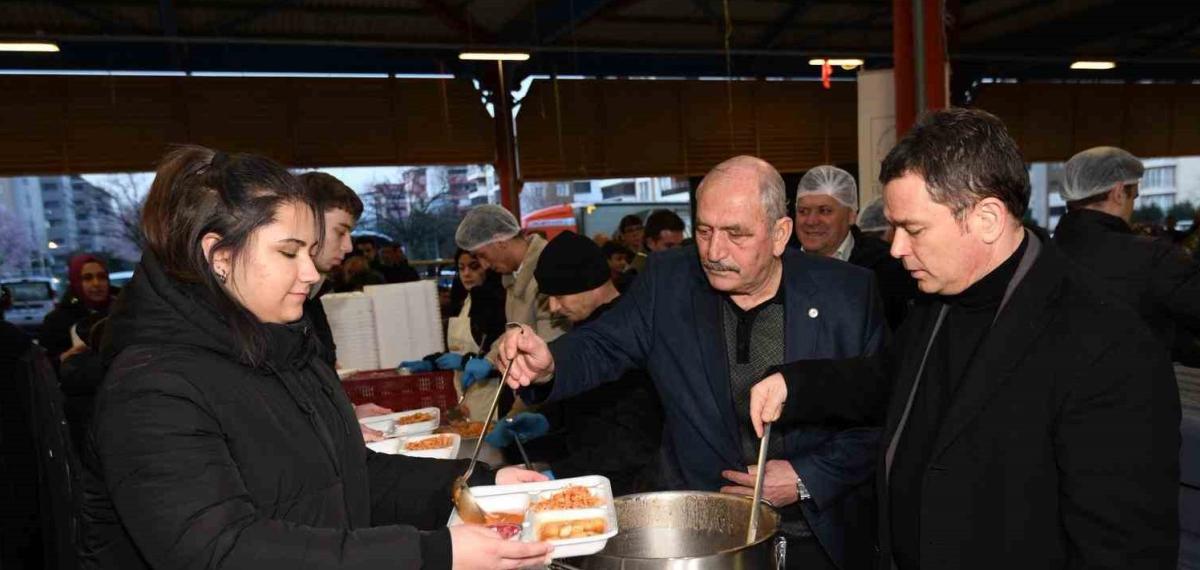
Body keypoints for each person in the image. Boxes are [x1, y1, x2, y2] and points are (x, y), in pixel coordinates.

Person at [80, 146, 553, 570]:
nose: (310, 272)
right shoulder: (152, 388)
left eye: (310, 251)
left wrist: (482, 482)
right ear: (218, 255)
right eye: (288, 253)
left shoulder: (285, 348)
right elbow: (220, 549)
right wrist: (434, 553)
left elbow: (355, 476)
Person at [748, 109, 1181, 570]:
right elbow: (885, 378)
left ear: (988, 218)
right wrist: (796, 385)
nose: (895, 248)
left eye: (913, 229)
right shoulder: (941, 302)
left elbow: (1122, 552)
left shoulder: (1107, 347)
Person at [496, 156, 887, 570]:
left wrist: (806, 477)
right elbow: (602, 344)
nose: (714, 252)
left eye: (736, 234)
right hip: (698, 530)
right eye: (704, 231)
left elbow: (881, 412)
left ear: (779, 234)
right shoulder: (669, 279)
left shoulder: (847, 294)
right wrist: (550, 363)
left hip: (814, 532)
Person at [487, 232, 663, 496]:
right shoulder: (584, 328)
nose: (554, 308)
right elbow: (587, 407)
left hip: (629, 486)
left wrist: (560, 475)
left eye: (560, 296)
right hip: (590, 467)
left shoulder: (624, 339)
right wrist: (547, 420)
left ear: (590, 283)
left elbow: (632, 442)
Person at [1053, 146, 1200, 366]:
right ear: (1119, 192)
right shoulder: (1154, 257)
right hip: (1142, 393)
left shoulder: (1037, 255)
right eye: (1134, 197)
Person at [297, 171, 393, 437]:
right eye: (340, 232)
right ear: (307, 222)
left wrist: (347, 410)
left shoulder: (313, 298)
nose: (349, 246)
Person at [793, 166, 918, 330]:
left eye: (825, 211)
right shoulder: (779, 264)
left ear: (852, 215)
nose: (811, 220)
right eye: (803, 211)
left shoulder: (887, 266)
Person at [454, 204, 570, 357]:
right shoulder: (512, 277)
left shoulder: (548, 270)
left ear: (500, 241)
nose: (484, 265)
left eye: (482, 255)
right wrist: (489, 360)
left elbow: (551, 345)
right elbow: (513, 332)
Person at [40, 253, 117, 364]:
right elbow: (45, 366)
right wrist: (65, 358)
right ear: (76, 282)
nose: (96, 283)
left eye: (101, 277)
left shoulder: (122, 312)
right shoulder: (56, 321)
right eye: (87, 278)